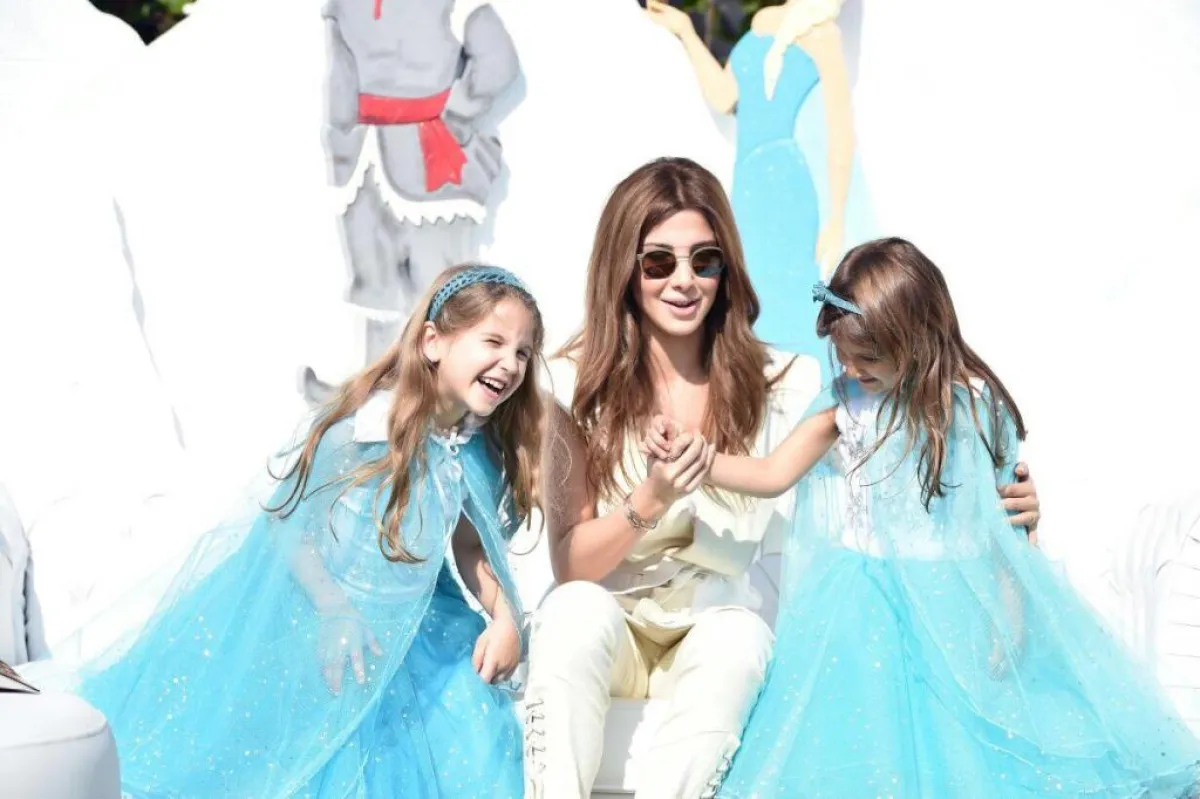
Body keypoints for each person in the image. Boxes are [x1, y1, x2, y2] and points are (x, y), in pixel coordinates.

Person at [522, 161, 1042, 799]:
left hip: (716, 630)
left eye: (705, 260)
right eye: (658, 262)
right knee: (571, 613)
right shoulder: (571, 385)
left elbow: (902, 454)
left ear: (727, 268)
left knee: (737, 636)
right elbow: (571, 568)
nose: (684, 280)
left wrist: (1006, 504)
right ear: (622, 269)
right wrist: (652, 497)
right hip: (614, 628)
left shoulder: (787, 382)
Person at [643, 238, 1200, 796]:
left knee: (959, 751)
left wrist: (1010, 622)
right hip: (861, 608)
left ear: (914, 338)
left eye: (867, 358)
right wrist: (698, 459)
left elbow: (1006, 529)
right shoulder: (846, 402)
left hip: (953, 608)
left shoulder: (976, 409)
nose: (852, 368)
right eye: (844, 355)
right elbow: (772, 473)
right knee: (864, 749)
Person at [75, 265, 543, 797]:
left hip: (414, 631)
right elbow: (286, 525)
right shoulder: (367, 428)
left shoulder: (471, 447)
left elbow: (469, 546)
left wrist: (505, 614)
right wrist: (334, 609)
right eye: (494, 342)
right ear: (433, 342)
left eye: (523, 352)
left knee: (465, 726)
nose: (511, 364)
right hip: (329, 616)